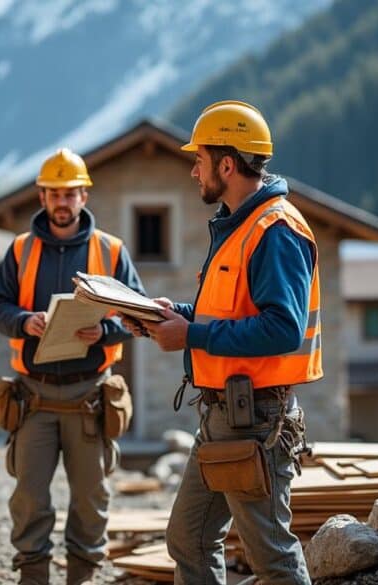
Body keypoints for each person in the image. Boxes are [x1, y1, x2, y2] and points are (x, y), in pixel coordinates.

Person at [131, 101, 320, 585]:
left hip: (256, 421)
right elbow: (230, 314)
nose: (194, 170)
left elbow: (282, 328)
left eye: (200, 160)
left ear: (228, 164)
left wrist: (190, 334)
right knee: (188, 538)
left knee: (272, 558)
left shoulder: (276, 230)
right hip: (223, 417)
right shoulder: (238, 224)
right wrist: (171, 315)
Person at [0, 148, 146, 585]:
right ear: (41, 196)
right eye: (54, 193)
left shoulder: (111, 251)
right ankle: (33, 577)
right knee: (29, 498)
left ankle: (82, 578)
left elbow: (139, 313)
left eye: (70, 193)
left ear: (84, 196)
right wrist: (24, 321)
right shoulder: (20, 250)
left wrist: (107, 331)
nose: (62, 202)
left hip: (89, 396)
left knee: (90, 499)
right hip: (34, 398)